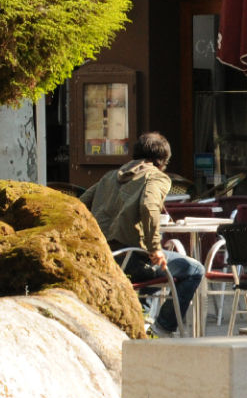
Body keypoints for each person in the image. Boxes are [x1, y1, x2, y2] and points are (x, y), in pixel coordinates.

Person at [85, 132, 201, 336]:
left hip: (102, 256)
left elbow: (79, 203)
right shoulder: (156, 176)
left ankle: (143, 317)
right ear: (164, 160)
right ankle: (163, 327)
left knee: (160, 267)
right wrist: (155, 248)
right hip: (130, 259)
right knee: (193, 269)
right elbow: (149, 207)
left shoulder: (109, 177)